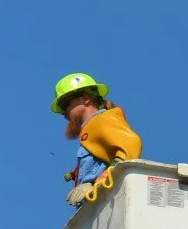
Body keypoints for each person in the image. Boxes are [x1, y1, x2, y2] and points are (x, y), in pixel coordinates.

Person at [51, 72, 142, 206]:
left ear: (86, 98)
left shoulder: (102, 120)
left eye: (65, 104)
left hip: (106, 202)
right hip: (98, 205)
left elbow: (131, 144)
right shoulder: (92, 127)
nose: (63, 112)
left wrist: (100, 181)